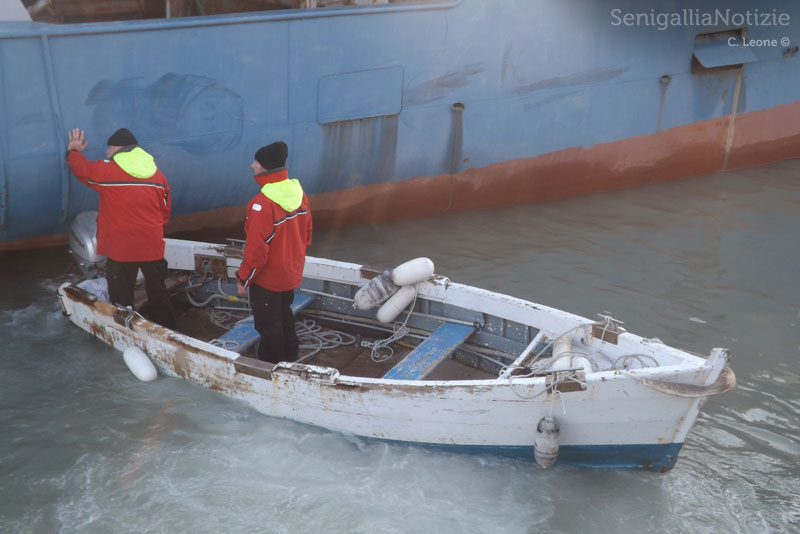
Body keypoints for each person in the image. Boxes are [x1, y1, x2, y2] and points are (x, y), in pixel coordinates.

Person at [66, 127, 176, 329]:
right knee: (159, 293)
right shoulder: (157, 175)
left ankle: (125, 332)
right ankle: (171, 332)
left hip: (121, 249)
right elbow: (165, 212)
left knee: (121, 300)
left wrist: (73, 152)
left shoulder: (108, 171)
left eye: (109, 148)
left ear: (119, 148)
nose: (107, 152)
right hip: (152, 246)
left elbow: (83, 171)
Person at [236, 141, 312, 364]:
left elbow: (256, 251)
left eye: (256, 161)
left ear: (265, 167)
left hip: (268, 278)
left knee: (268, 325)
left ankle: (271, 368)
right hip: (290, 273)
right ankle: (291, 355)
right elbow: (307, 234)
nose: (252, 165)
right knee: (284, 313)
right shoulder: (298, 193)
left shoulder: (262, 203)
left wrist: (244, 278)